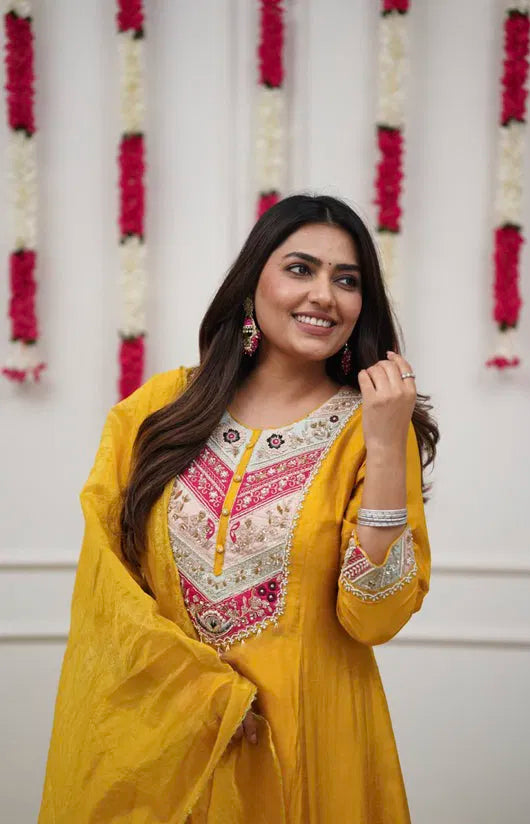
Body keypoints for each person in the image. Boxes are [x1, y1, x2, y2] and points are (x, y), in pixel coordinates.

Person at [39, 194, 439, 823]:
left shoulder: (375, 430)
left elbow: (373, 619)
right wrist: (204, 694)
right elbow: (109, 589)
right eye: (300, 269)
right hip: (168, 746)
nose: (324, 296)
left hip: (311, 745)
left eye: (347, 279)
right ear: (254, 280)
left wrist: (387, 446)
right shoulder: (161, 410)